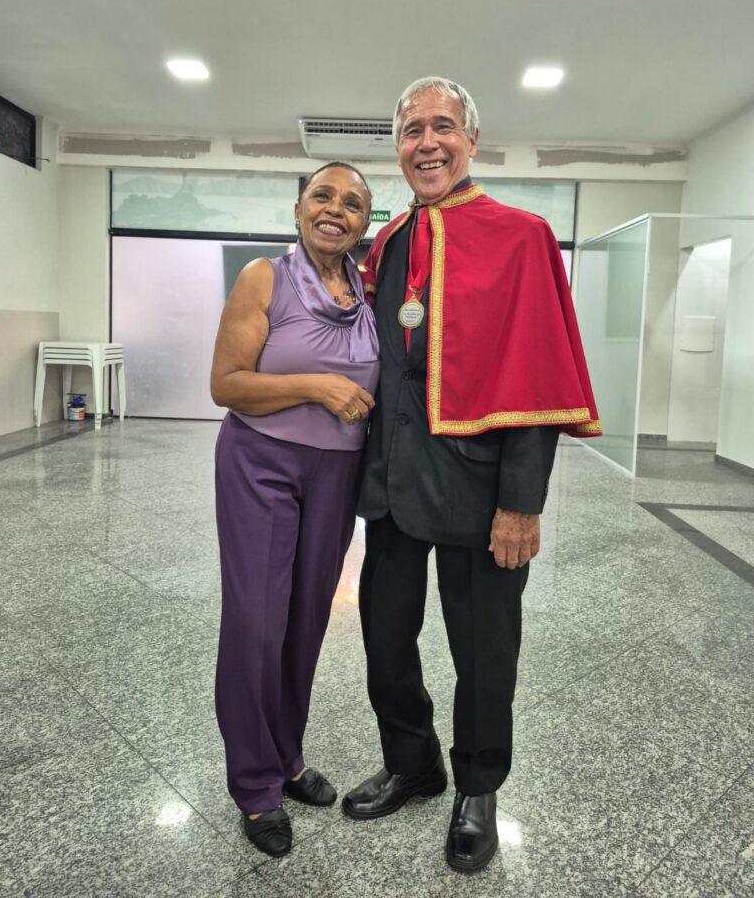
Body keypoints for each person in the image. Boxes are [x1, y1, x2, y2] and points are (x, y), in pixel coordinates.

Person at [342, 77, 601, 873]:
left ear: (472, 140)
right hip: (392, 486)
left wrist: (521, 502)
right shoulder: (386, 244)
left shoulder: (523, 236)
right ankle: (413, 763)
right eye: (412, 130)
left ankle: (479, 788)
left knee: (485, 654)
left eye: (443, 126)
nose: (427, 142)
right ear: (398, 148)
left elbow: (538, 373)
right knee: (385, 639)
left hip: (481, 490)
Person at [210, 161, 380, 858]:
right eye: (322, 196)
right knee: (257, 622)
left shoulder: (368, 291)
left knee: (306, 621)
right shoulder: (265, 278)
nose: (335, 209)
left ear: (365, 222)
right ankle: (254, 787)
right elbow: (226, 384)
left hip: (336, 473)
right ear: (299, 207)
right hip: (261, 463)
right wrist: (317, 385)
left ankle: (286, 758)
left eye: (353, 203)